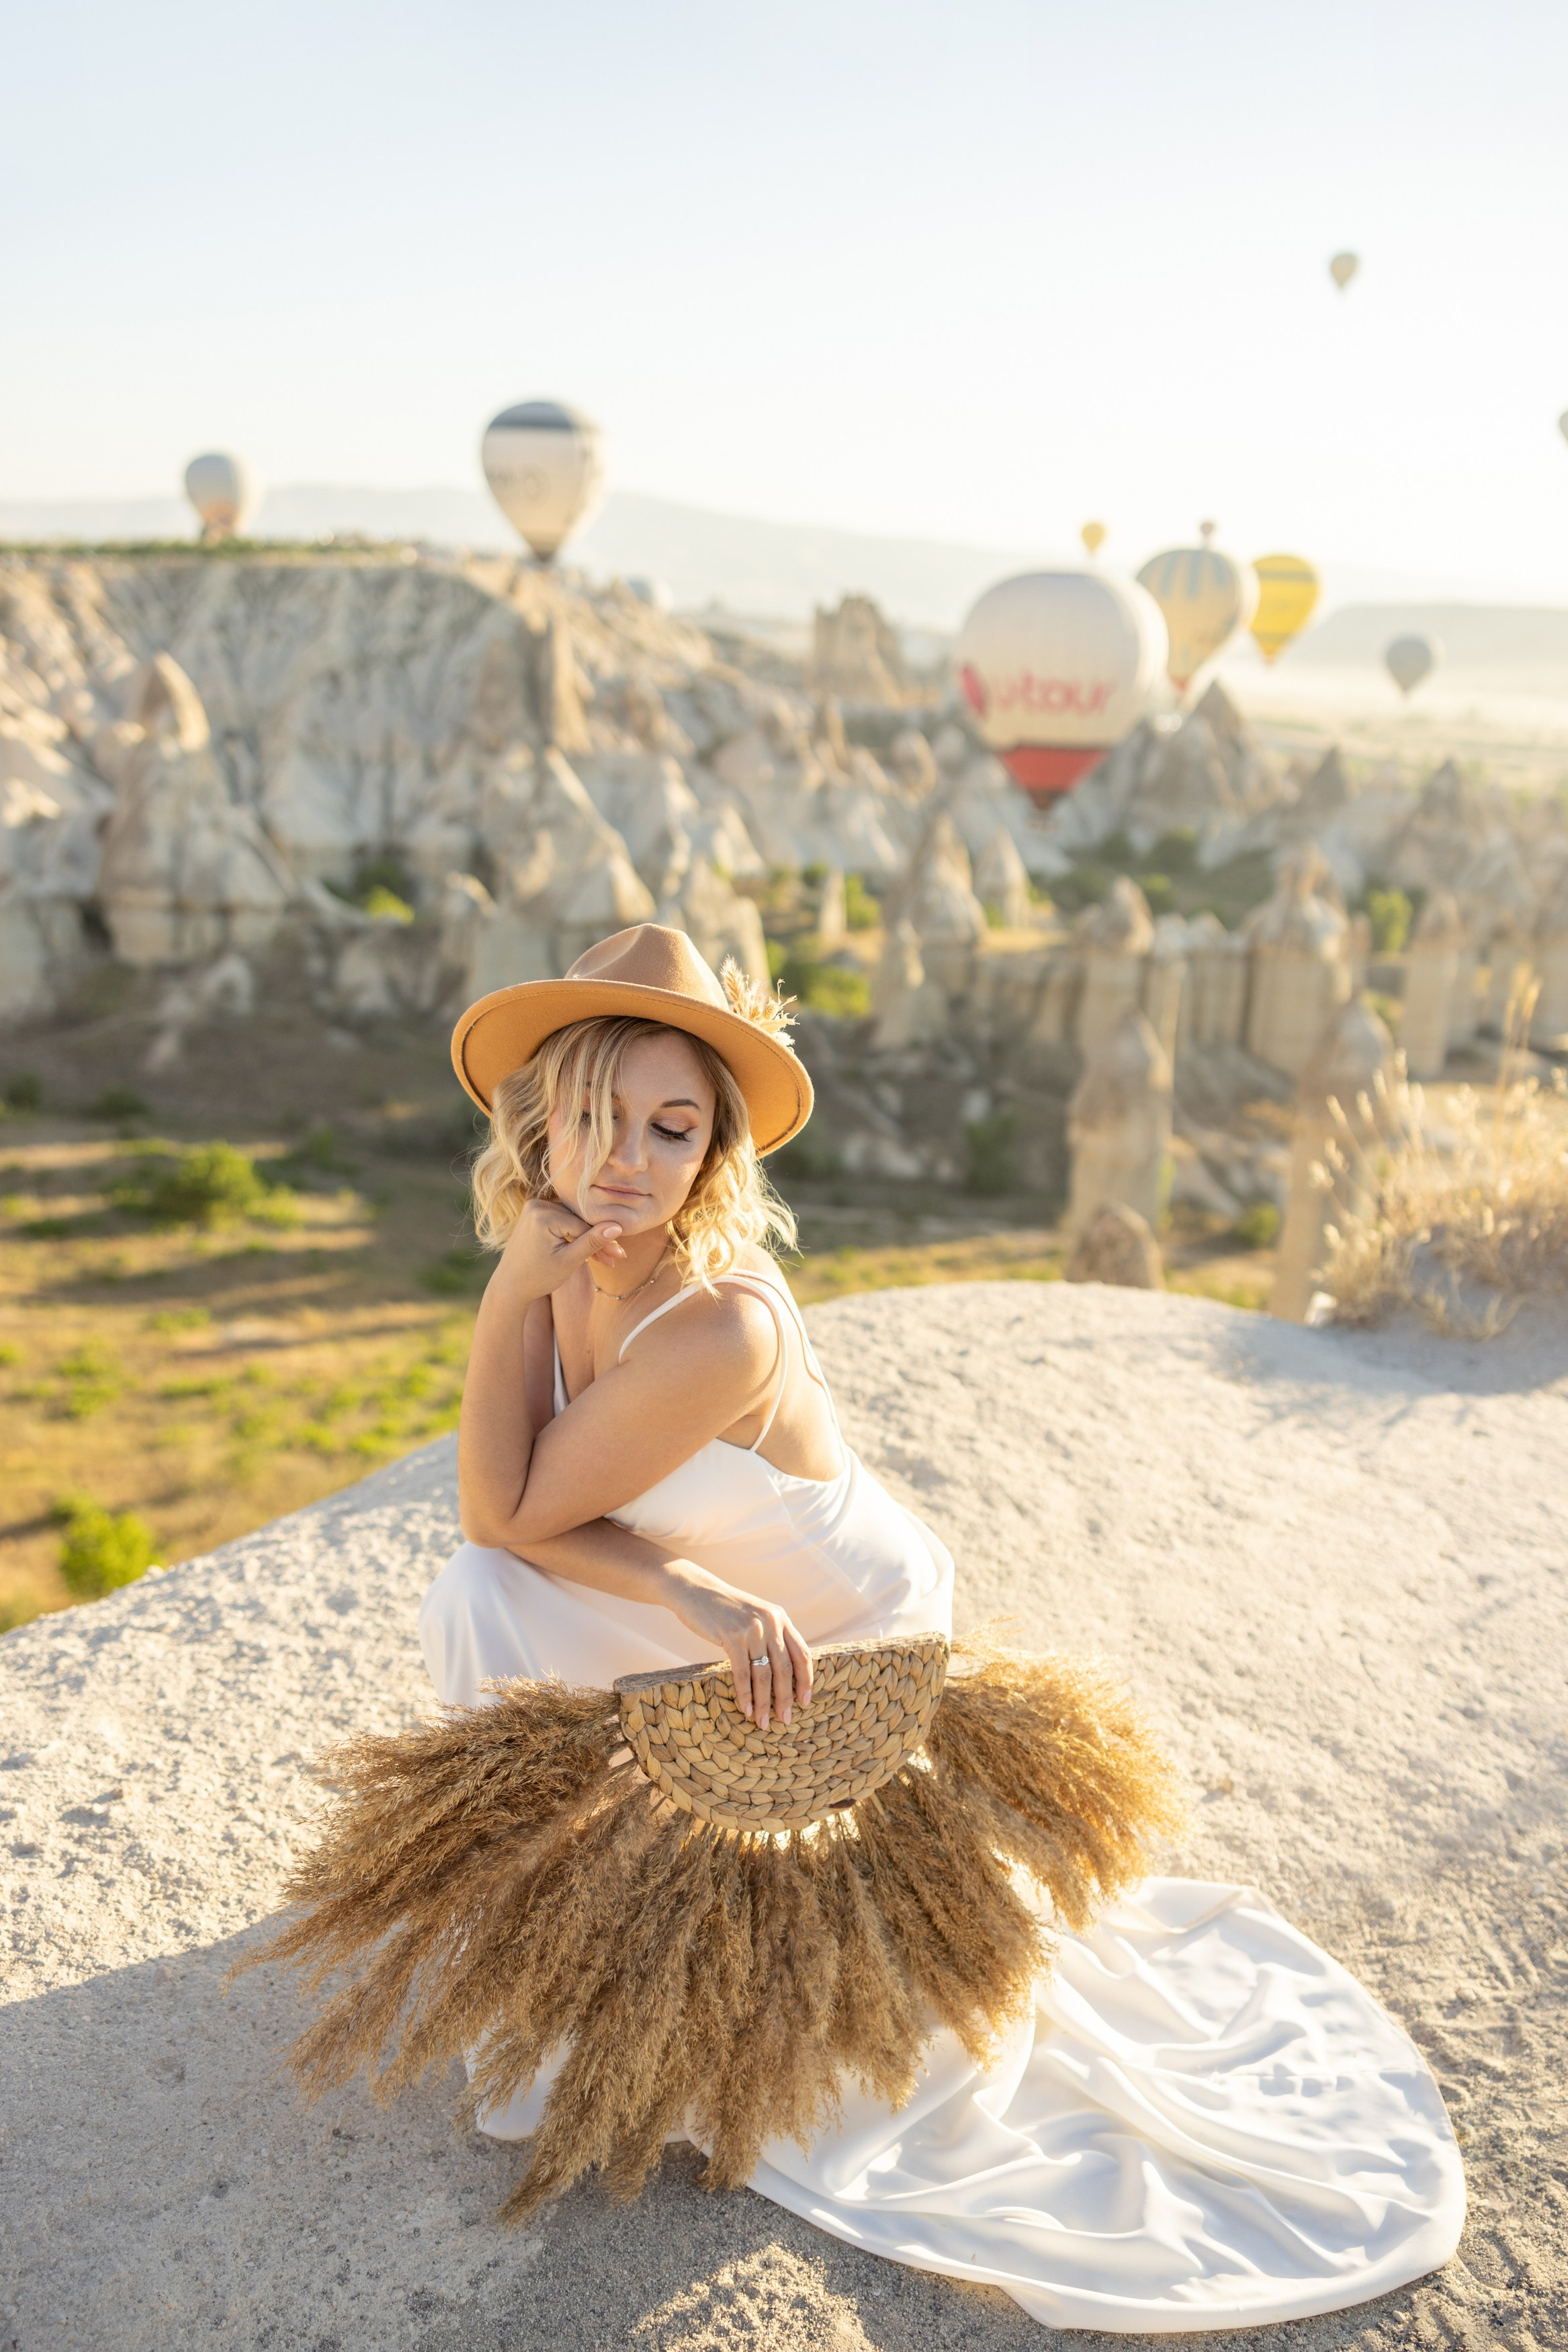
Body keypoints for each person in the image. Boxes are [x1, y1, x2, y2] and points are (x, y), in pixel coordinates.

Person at [420, 923, 1465, 2335]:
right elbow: (506, 1521)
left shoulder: (718, 1326)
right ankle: (562, 1937)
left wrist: (510, 1296)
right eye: (600, 1115)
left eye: (675, 1128)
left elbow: (503, 1501)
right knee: (478, 1596)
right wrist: (684, 1587)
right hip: (731, 1609)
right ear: (542, 1119)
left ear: (712, 1153)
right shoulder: (570, 1258)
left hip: (838, 1636)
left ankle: (639, 1941)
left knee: (489, 1576)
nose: (630, 1158)